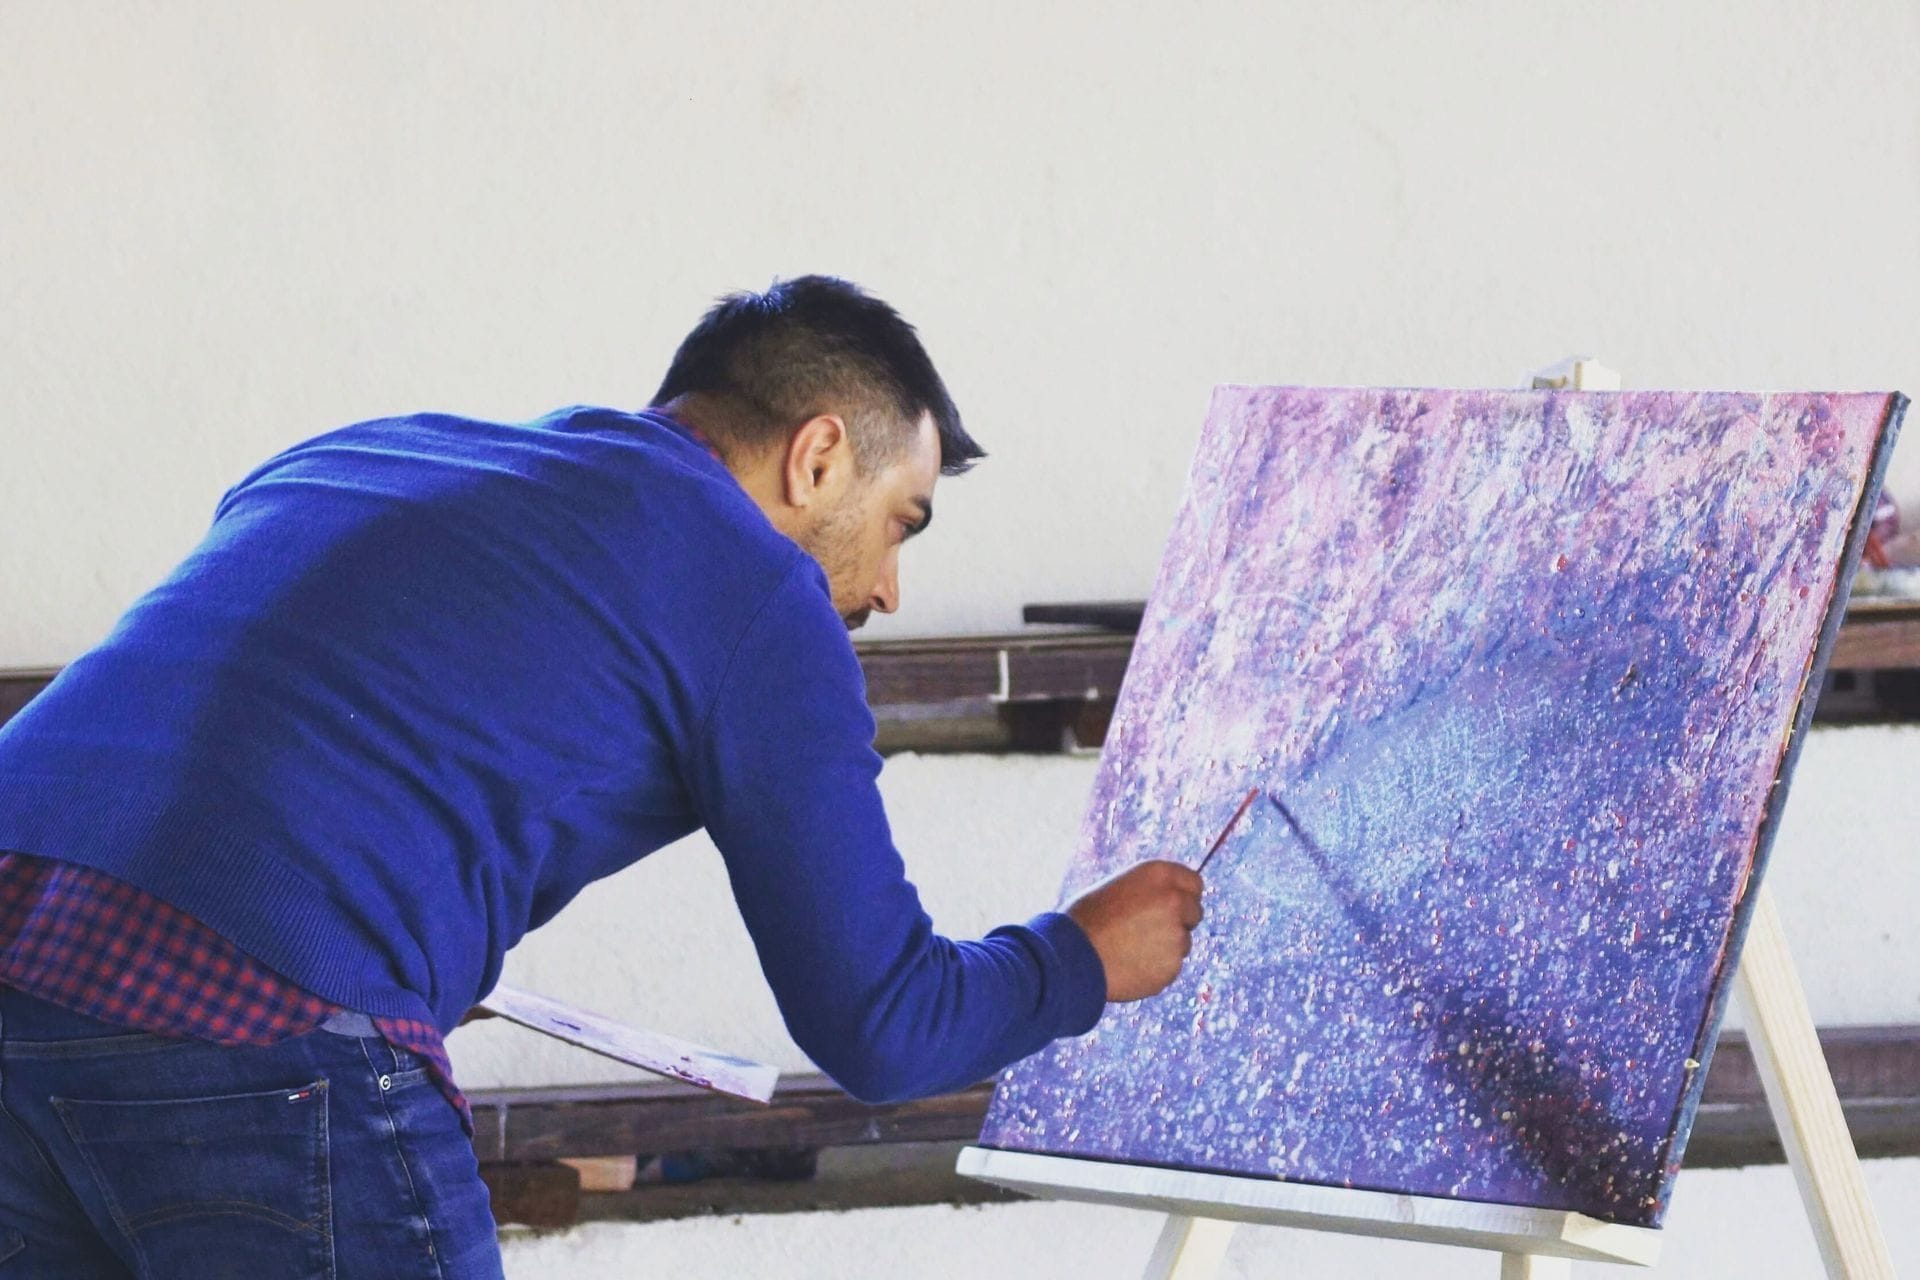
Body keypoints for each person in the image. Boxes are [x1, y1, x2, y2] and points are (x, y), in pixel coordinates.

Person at [0, 276, 1204, 1276]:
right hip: (261, 1021)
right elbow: (885, 1026)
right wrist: (1082, 956)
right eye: (904, 520)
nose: (889, 589)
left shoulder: (368, 453)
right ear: (820, 455)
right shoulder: (757, 588)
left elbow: (247, 744)